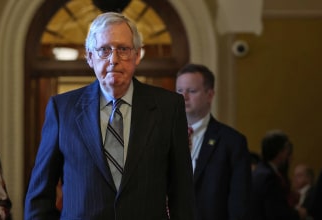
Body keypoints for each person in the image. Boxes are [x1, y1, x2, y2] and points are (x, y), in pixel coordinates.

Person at [24, 12, 195, 219]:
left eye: (123, 49)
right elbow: (40, 194)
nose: (114, 59)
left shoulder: (169, 107)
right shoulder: (63, 109)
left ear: (137, 55)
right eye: (104, 50)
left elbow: (182, 192)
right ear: (89, 57)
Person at [175, 63, 251, 220]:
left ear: (210, 95)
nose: (184, 97)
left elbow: (239, 202)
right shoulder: (160, 136)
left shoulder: (232, 142)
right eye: (179, 91)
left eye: (192, 91)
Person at [249, 130, 306, 220]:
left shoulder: (260, 171)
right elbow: (276, 214)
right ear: (280, 152)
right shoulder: (268, 177)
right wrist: (298, 214)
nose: (291, 157)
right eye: (287, 152)